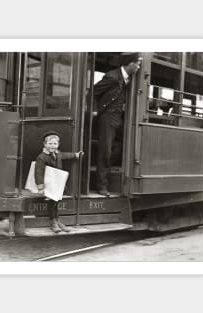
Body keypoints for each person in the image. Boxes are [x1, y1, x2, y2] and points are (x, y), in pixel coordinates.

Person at [93, 56, 142, 196]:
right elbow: (94, 92)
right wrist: (95, 110)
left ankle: (105, 177)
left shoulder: (127, 78)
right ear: (130, 64)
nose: (138, 68)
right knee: (105, 152)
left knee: (121, 147)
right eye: (137, 65)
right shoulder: (113, 77)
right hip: (107, 118)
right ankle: (101, 186)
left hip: (118, 118)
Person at [34, 131, 83, 233]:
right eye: (50, 144)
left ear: (58, 144)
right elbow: (38, 172)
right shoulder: (41, 157)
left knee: (56, 203)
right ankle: (53, 222)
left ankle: (57, 220)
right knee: (52, 203)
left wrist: (75, 155)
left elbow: (65, 155)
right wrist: (40, 187)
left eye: (55, 144)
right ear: (45, 144)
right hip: (48, 186)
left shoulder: (58, 154)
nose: (52, 146)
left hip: (57, 185)